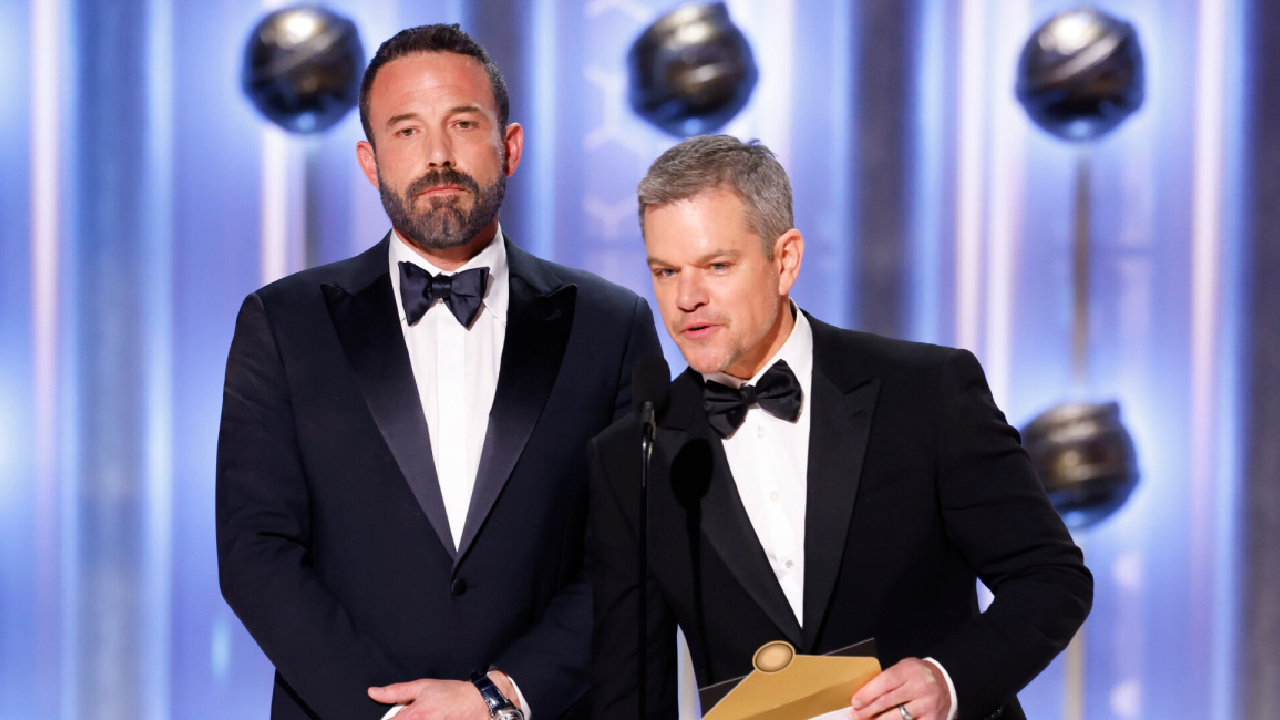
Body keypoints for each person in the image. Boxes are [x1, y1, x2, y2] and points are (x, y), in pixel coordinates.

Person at [216, 24, 660, 720]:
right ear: (370, 160)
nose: (439, 156)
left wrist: (501, 697)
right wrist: (391, 714)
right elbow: (255, 552)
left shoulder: (613, 323)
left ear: (509, 145)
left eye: (462, 123)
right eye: (407, 131)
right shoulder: (282, 323)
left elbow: (633, 551)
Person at [588, 135, 1092, 720]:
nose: (687, 299)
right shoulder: (632, 456)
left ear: (786, 260)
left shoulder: (926, 392)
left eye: (716, 266)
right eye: (666, 271)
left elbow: (1051, 577)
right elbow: (629, 692)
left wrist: (949, 680)